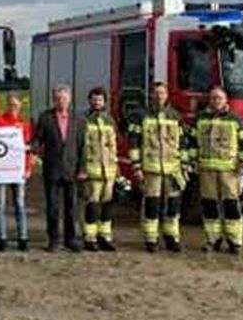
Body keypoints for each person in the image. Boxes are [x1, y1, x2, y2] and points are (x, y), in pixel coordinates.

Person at [188, 85, 243, 254]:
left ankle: (235, 242)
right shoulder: (200, 119)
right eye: (212, 98)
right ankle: (213, 240)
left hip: (230, 172)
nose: (215, 101)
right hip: (206, 170)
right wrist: (193, 161)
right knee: (210, 206)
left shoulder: (236, 119)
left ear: (225, 100)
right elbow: (192, 142)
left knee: (231, 205)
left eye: (219, 98)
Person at [128, 81, 189, 253]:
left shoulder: (175, 116)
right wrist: (136, 167)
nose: (159, 96)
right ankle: (151, 239)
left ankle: (172, 238)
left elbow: (183, 143)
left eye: (162, 93)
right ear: (151, 95)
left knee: (173, 205)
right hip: (150, 170)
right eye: (156, 93)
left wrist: (184, 165)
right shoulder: (140, 116)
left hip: (173, 170)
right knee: (151, 205)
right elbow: (133, 143)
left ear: (167, 95)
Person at [35, 84, 84, 252]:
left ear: (69, 99)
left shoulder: (78, 120)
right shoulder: (45, 118)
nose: (61, 101)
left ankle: (71, 239)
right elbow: (37, 141)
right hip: (52, 169)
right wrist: (34, 152)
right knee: (52, 207)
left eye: (64, 98)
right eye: (57, 98)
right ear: (53, 100)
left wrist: (82, 168)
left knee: (72, 207)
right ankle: (54, 240)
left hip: (72, 169)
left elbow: (82, 146)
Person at [80, 86, 119, 252]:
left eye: (100, 99)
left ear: (104, 102)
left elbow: (113, 147)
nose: (97, 102)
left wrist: (117, 169)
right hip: (92, 170)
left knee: (107, 205)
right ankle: (90, 238)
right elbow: (81, 146)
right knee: (92, 205)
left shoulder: (110, 120)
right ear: (90, 101)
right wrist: (82, 168)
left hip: (109, 171)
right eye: (94, 99)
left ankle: (105, 237)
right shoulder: (83, 120)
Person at [0, 95, 32, 252]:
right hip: (1, 171)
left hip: (18, 170)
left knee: (20, 204)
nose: (13, 107)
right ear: (6, 105)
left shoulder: (25, 125)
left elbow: (28, 149)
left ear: (20, 106)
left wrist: (28, 168)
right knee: (0, 205)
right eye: (11, 104)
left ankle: (22, 237)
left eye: (16, 105)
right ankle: (2, 238)